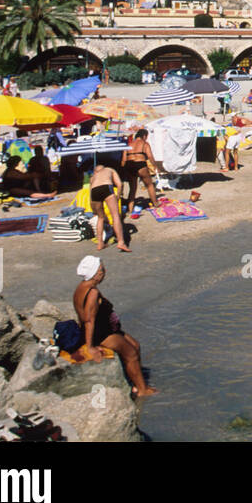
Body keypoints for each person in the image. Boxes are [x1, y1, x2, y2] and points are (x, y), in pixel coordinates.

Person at [73, 256, 157, 397]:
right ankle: (143, 390)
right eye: (102, 269)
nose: (104, 271)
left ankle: (137, 383)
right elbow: (88, 320)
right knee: (131, 354)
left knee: (135, 345)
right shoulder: (92, 293)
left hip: (106, 329)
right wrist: (90, 347)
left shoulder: (83, 286)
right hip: (102, 334)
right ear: (97, 273)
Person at [88, 161, 129, 252]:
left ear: (95, 171)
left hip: (94, 191)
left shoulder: (93, 177)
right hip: (106, 187)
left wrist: (94, 209)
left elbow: (90, 195)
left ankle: (100, 243)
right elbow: (120, 184)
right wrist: (118, 196)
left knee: (100, 218)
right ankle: (121, 242)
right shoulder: (109, 169)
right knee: (115, 215)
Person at [121, 128, 161, 208]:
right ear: (144, 136)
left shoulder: (129, 144)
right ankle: (155, 203)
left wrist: (123, 170)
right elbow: (150, 156)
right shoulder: (144, 143)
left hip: (129, 164)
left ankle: (130, 208)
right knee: (149, 185)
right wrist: (156, 166)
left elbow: (123, 160)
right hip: (140, 163)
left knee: (132, 188)